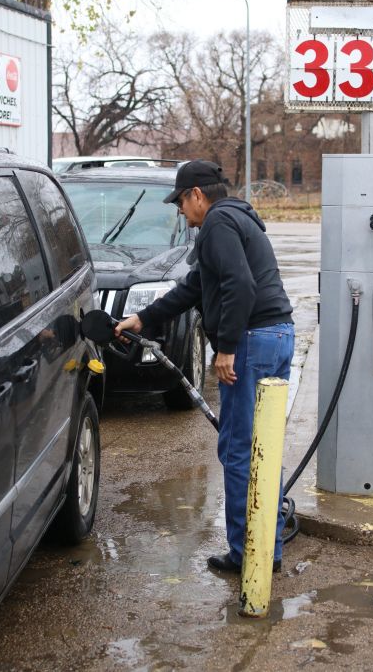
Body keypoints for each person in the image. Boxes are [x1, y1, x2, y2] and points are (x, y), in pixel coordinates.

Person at [115, 160, 294, 573]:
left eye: (180, 200)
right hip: (277, 335)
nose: (180, 210)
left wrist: (226, 348)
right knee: (260, 446)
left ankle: (247, 555)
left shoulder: (216, 224)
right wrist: (144, 319)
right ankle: (267, 551)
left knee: (237, 449)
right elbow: (195, 286)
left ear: (197, 194)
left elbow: (239, 285)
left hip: (251, 341)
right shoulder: (234, 221)